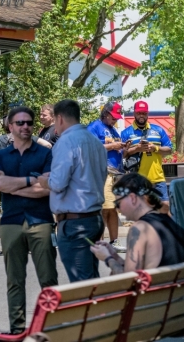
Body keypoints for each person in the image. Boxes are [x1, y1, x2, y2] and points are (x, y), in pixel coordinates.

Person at [0, 106, 57, 334]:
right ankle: (17, 331)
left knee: (48, 279)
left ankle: (51, 329)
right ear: (10, 127)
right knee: (14, 280)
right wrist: (30, 179)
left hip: (41, 221)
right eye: (20, 123)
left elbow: (47, 189)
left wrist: (12, 186)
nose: (26, 126)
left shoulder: (45, 153)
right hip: (11, 222)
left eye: (29, 122)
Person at [36, 99, 106, 282]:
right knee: (91, 280)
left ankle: (92, 311)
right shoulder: (95, 141)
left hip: (75, 222)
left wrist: (45, 181)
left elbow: (58, 183)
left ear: (59, 118)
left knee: (82, 284)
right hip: (94, 217)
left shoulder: (66, 142)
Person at [90, 173, 184, 274]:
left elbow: (129, 279)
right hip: (176, 288)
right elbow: (136, 271)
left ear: (133, 198)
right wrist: (114, 256)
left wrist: (108, 259)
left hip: (156, 289)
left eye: (118, 203)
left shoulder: (140, 229)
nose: (117, 209)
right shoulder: (169, 222)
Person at [120, 100, 173, 214]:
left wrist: (155, 148)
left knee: (165, 208)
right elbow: (122, 154)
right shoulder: (126, 133)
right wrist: (136, 149)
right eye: (139, 113)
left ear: (148, 114)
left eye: (144, 113)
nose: (141, 116)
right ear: (134, 113)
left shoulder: (158, 130)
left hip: (157, 177)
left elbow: (169, 149)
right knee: (141, 213)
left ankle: (166, 232)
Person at [87, 101, 125, 244]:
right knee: (105, 208)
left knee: (113, 208)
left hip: (116, 173)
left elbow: (118, 151)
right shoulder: (94, 127)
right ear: (105, 114)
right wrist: (112, 146)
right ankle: (100, 241)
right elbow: (90, 148)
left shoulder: (113, 130)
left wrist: (123, 147)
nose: (115, 120)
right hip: (103, 172)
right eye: (113, 117)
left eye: (117, 118)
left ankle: (114, 240)